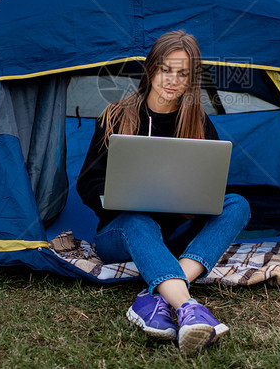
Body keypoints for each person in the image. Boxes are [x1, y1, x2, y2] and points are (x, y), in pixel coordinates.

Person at [77, 30, 251, 354]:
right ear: (151, 68)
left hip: (175, 235)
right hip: (123, 231)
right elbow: (86, 185)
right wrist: (121, 199)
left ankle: (156, 297)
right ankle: (187, 308)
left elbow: (211, 187)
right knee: (138, 221)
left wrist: (193, 202)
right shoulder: (116, 115)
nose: (172, 80)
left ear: (191, 79)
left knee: (237, 204)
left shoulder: (198, 122)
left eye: (182, 73)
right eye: (165, 69)